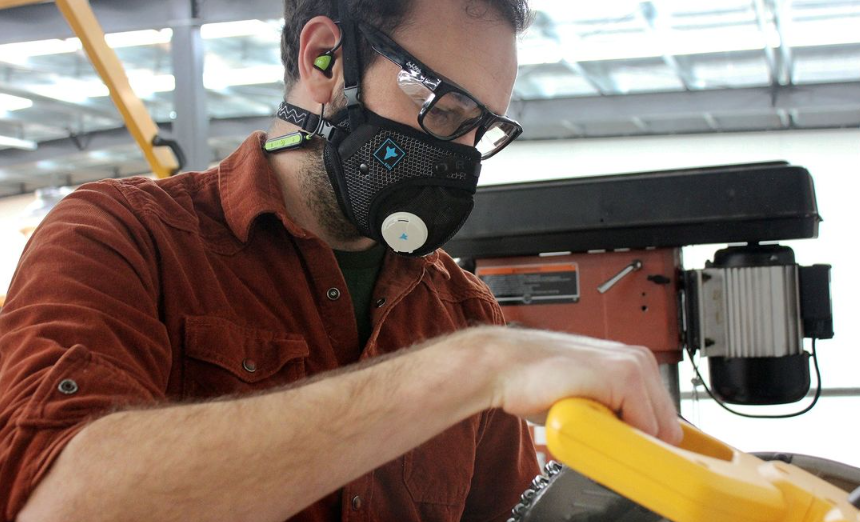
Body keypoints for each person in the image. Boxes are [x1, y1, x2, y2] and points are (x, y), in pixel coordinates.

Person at [0, 0, 682, 520]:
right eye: (443, 109)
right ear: (325, 58)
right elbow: (59, 503)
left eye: (480, 130)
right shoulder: (122, 238)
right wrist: (468, 369)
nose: (460, 157)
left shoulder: (461, 311)